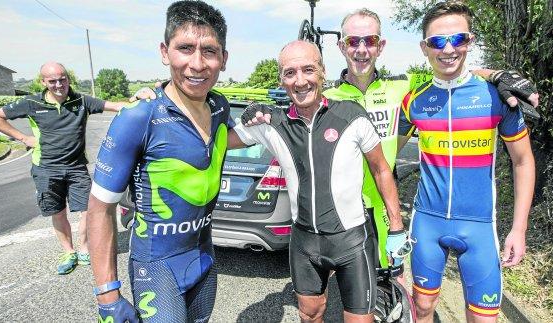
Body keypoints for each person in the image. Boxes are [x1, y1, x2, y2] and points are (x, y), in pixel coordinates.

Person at [246, 8, 539, 277]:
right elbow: (294, 100)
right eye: (352, 42)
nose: (361, 49)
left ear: (380, 46)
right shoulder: (327, 96)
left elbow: (450, 72)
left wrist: (496, 75)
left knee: (393, 285)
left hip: (385, 208)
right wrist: (261, 110)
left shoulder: (403, 87)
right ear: (341, 46)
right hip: (341, 213)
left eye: (370, 40)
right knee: (353, 291)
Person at [229, 40, 406, 323]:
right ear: (281, 79)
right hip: (304, 243)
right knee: (310, 314)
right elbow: (215, 139)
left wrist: (396, 227)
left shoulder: (351, 115)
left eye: (308, 69)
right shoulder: (270, 123)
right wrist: (164, 99)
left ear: (322, 72)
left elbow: (381, 169)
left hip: (351, 241)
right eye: (290, 73)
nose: (300, 81)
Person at [86, 1, 232, 322]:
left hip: (204, 260)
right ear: (165, 53)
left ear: (223, 58)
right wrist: (107, 295)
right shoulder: (139, 114)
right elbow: (99, 209)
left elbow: (241, 138)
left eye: (209, 51)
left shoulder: (221, 107)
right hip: (156, 267)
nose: (197, 63)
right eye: (185, 48)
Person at [397, 1, 535, 322]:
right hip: (427, 223)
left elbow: (523, 162)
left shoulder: (497, 96)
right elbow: (381, 155)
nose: (448, 49)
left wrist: (519, 228)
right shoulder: (414, 101)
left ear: (469, 41)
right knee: (423, 307)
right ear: (424, 47)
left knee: (484, 319)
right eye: (437, 41)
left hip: (479, 227)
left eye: (458, 39)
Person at [0, 62, 127, 275]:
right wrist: (23, 137)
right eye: (53, 81)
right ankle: (69, 252)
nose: (59, 84)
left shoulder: (81, 100)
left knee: (87, 210)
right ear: (43, 82)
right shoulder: (31, 102)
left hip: (77, 167)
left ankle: (84, 248)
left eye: (63, 79)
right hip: (46, 169)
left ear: (68, 79)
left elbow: (117, 106)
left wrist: (143, 97)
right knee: (58, 212)